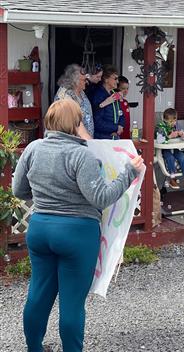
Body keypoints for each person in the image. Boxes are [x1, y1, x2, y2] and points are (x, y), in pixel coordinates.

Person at [12, 99, 143, 352]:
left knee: (38, 294)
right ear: (75, 123)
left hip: (40, 229)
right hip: (77, 234)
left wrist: (45, 198)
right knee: (71, 303)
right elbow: (101, 198)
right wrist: (129, 172)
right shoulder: (81, 155)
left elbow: (19, 189)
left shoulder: (33, 148)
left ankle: (34, 348)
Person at [54, 63, 94, 139]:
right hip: (73, 141)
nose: (87, 82)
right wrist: (88, 140)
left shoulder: (80, 91)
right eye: (84, 80)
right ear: (75, 80)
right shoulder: (64, 95)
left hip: (85, 140)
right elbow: (75, 122)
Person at [155, 108, 184, 189]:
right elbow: (159, 140)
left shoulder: (176, 126)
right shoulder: (161, 127)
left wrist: (183, 135)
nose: (173, 123)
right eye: (170, 121)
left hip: (175, 148)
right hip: (165, 150)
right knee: (170, 157)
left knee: (182, 157)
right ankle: (172, 178)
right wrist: (170, 136)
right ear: (164, 120)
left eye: (175, 121)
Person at [90, 65, 125, 140]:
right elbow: (97, 122)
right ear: (106, 79)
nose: (118, 81)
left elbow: (121, 113)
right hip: (102, 139)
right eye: (115, 79)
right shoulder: (98, 95)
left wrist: (121, 125)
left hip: (114, 137)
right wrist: (116, 128)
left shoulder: (114, 93)